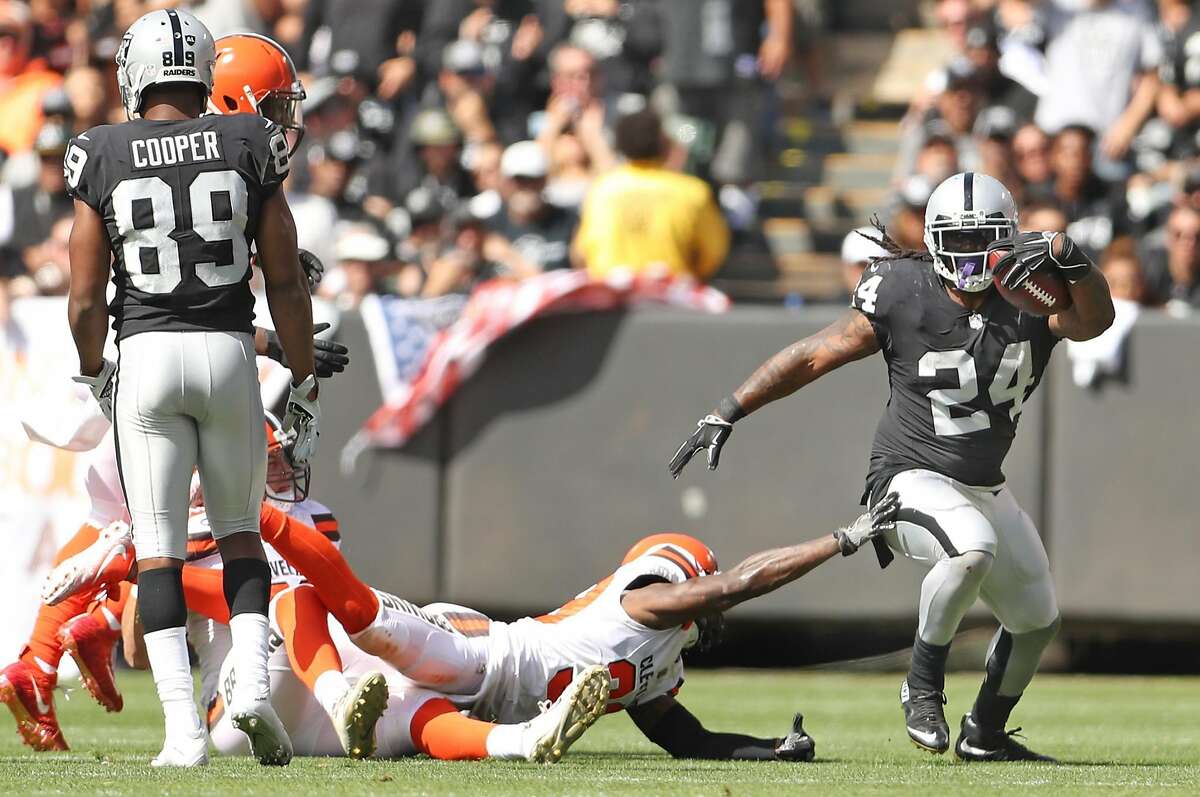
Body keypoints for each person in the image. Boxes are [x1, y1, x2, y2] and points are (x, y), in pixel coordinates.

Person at [669, 171, 1115, 762]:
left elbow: (1094, 322)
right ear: (932, 242)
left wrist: (1075, 263)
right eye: (956, 242)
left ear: (1009, 237)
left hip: (982, 484)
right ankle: (922, 685)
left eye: (983, 240)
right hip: (906, 478)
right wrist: (730, 408)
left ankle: (984, 734)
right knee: (971, 550)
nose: (971, 257)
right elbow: (813, 356)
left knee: (1037, 621)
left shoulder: (1030, 288)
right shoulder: (903, 288)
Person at [64, 9, 319, 767]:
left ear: (135, 74)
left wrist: (91, 369)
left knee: (159, 550)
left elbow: (83, 296)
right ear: (204, 71)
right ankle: (249, 692)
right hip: (228, 350)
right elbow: (283, 275)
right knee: (242, 533)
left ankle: (183, 730)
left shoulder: (98, 149)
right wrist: (300, 372)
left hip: (145, 354)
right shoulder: (246, 140)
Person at [572, 108, 729, 280]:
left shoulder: (601, 190)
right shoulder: (693, 192)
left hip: (611, 297)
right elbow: (714, 251)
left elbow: (580, 253)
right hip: (671, 298)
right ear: (664, 143)